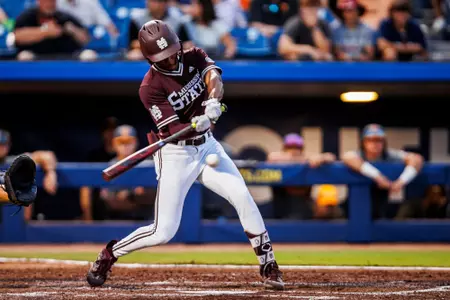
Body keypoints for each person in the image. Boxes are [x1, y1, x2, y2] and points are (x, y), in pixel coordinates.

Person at [86, 20, 284, 290]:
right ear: (149, 58)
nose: (169, 61)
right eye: (161, 58)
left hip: (208, 147)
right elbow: (172, 129)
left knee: (242, 196)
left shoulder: (194, 55)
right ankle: (109, 254)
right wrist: (195, 123)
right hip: (175, 154)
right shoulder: (149, 88)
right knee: (163, 231)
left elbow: (214, 76)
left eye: (171, 54)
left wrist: (213, 100)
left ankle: (269, 265)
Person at [342, 123, 424, 219]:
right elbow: (348, 157)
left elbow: (417, 159)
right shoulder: (358, 154)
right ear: (363, 142)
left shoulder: (389, 155)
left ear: (384, 142)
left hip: (379, 207)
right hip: (355, 205)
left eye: (379, 140)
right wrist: (378, 177)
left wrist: (401, 181)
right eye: (370, 140)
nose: (375, 144)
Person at [13, 0, 90, 61]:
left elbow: (85, 39)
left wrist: (73, 30)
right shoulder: (29, 15)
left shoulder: (64, 17)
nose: (50, 4)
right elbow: (17, 36)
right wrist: (45, 32)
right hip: (36, 56)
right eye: (46, 1)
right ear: (39, 1)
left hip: (67, 56)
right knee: (24, 56)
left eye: (52, 1)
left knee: (89, 55)